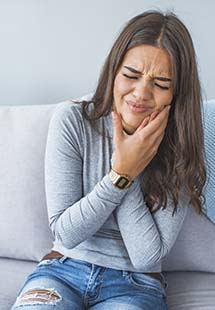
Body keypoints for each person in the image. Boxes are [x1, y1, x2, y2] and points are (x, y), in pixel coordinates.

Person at [12, 9, 206, 310]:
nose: (141, 93)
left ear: (176, 94)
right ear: (113, 71)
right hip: (62, 271)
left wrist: (131, 165)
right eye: (131, 75)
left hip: (136, 285)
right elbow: (66, 232)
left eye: (161, 84)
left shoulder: (180, 143)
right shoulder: (73, 120)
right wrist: (121, 173)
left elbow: (146, 256)